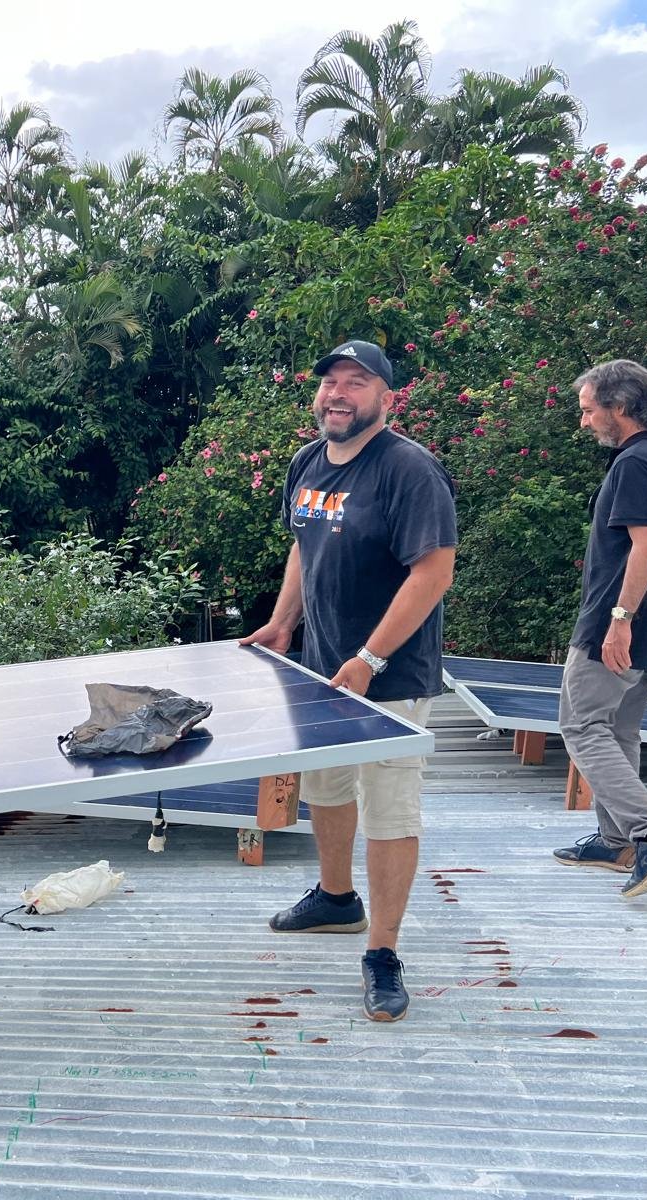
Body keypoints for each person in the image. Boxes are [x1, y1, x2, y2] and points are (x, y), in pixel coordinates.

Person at [241, 339, 457, 1022]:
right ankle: (337, 898)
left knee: (389, 805)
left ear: (385, 398)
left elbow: (433, 573)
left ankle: (383, 952)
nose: (338, 393)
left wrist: (371, 657)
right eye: (330, 382)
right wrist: (282, 624)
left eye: (355, 382)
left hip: (390, 674)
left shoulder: (408, 470)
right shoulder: (308, 462)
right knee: (327, 786)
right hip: (321, 665)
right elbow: (305, 546)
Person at [552, 359, 647, 898]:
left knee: (582, 726)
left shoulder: (636, 463)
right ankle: (618, 842)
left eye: (589, 411)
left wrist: (618, 620)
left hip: (621, 624)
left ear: (620, 408)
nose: (584, 421)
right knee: (617, 731)